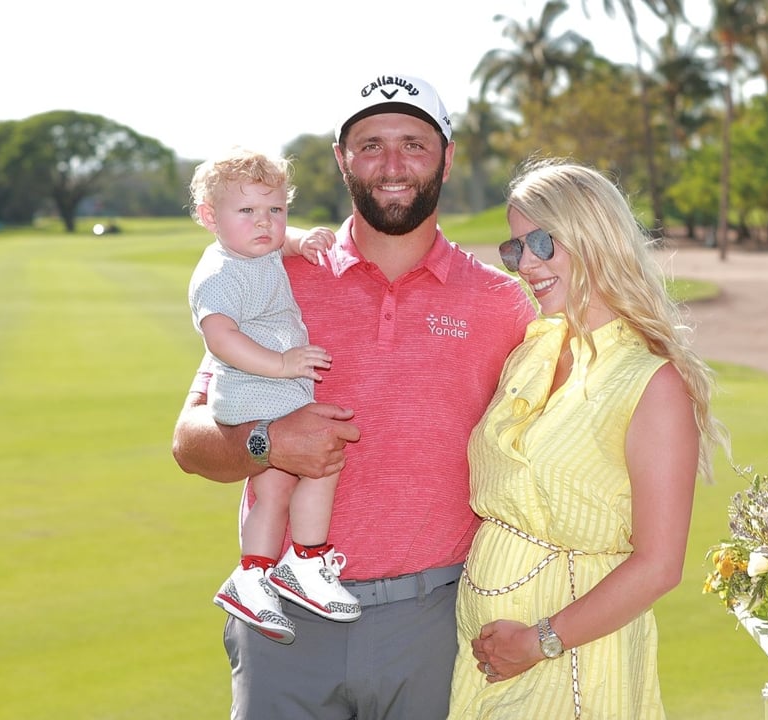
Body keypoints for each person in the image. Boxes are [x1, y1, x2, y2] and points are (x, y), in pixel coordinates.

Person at [171, 74, 537, 720]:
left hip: (434, 624)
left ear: (447, 159)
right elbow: (190, 441)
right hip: (285, 623)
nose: (392, 166)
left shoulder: (502, 303)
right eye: (370, 145)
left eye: (413, 145)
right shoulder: (270, 276)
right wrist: (271, 442)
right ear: (342, 159)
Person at [448, 159, 728, 720]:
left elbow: (658, 565)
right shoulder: (534, 349)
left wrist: (538, 641)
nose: (525, 263)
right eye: (513, 249)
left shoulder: (651, 379)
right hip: (485, 662)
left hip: (571, 657)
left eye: (541, 243)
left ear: (592, 238)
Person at [186, 147, 363, 644]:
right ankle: (284, 567)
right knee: (307, 467)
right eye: (247, 211)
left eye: (276, 210)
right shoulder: (219, 275)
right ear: (209, 217)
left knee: (293, 479)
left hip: (271, 389)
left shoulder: (255, 249)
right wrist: (283, 365)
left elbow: (278, 246)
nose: (265, 224)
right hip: (255, 391)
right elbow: (220, 337)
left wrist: (302, 240)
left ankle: (271, 569)